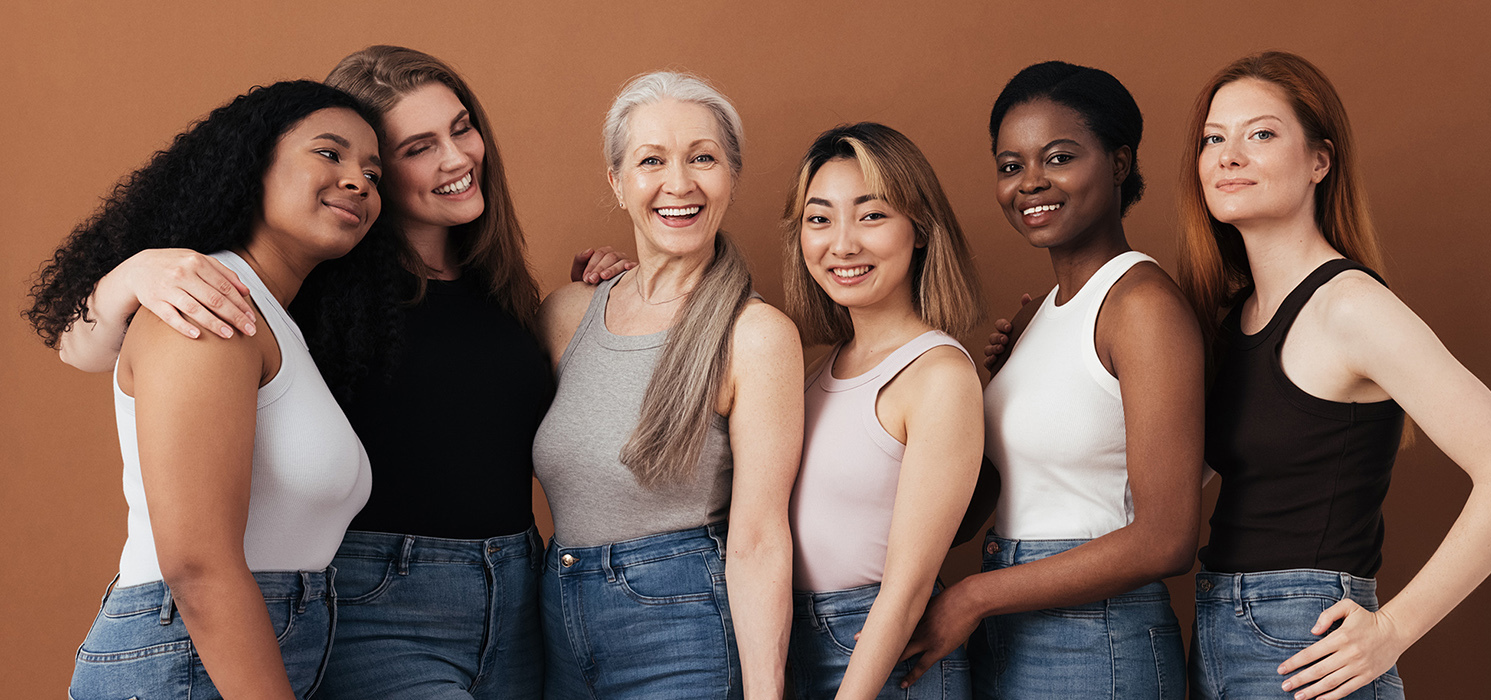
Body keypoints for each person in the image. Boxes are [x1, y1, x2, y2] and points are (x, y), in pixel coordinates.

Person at [50, 46, 629, 699]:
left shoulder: (503, 297)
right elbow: (89, 348)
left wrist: (612, 301)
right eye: (416, 147)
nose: (456, 157)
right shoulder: (308, 292)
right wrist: (138, 272)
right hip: (373, 602)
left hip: (519, 598)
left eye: (462, 128)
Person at [1176, 51, 1491, 700]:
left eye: (1260, 133)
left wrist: (1393, 629)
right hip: (1216, 628)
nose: (1228, 156)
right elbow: (1180, 475)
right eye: (1214, 139)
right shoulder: (1233, 317)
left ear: (1320, 160)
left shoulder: (1351, 307)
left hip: (1304, 635)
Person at [27, 81, 383, 699]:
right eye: (329, 153)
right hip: (188, 661)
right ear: (253, 164)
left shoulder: (273, 316)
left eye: (373, 172)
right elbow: (197, 565)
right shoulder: (205, 303)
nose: (358, 181)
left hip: (231, 651)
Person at [906, 61, 1204, 699]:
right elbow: (981, 498)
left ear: (1120, 163)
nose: (1030, 183)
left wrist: (974, 597)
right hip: (1013, 627)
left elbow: (1167, 538)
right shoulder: (1037, 314)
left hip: (1095, 639)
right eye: (1010, 166)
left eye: (1059, 157)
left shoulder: (1141, 306)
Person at [531, 70, 803, 700]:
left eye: (702, 158)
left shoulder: (755, 335)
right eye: (651, 160)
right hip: (555, 623)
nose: (678, 183)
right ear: (617, 183)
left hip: (683, 630)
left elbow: (760, 537)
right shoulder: (567, 314)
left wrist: (767, 693)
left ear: (730, 178)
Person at [782, 123, 986, 699]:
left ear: (919, 230)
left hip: (877, 654)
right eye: (819, 219)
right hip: (791, 639)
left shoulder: (939, 375)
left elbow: (908, 586)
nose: (842, 244)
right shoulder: (812, 368)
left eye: (871, 216)